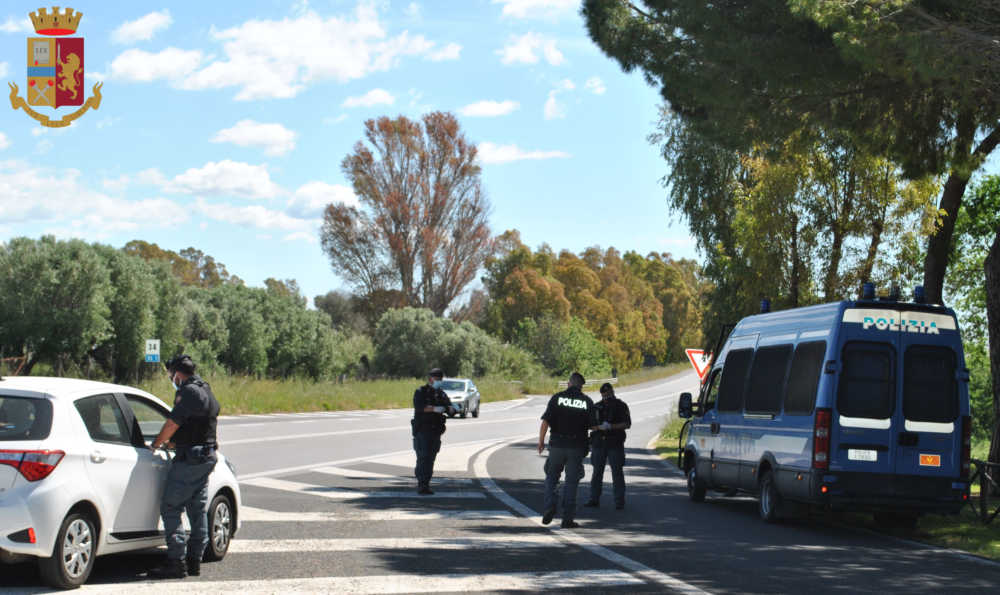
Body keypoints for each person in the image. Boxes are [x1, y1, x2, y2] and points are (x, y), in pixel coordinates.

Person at [147, 354, 221, 580]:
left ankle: (176, 562)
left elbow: (172, 423)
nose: (171, 379)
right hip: (206, 455)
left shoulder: (187, 391)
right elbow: (197, 427)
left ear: (178, 374)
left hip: (191, 459)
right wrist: (176, 442)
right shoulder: (206, 390)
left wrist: (157, 444)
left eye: (171, 375)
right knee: (197, 510)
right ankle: (194, 561)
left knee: (171, 507)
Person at [538, 372, 597, 529]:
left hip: (557, 445)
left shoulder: (557, 398)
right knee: (571, 483)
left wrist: (541, 442)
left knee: (551, 478)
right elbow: (593, 426)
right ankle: (567, 519)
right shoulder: (587, 401)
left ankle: (550, 506)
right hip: (576, 448)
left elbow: (545, 422)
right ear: (581, 385)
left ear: (569, 383)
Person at [585, 382, 632, 510]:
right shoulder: (596, 406)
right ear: (601, 395)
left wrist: (611, 426)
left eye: (609, 394)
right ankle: (594, 499)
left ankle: (619, 501)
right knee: (597, 472)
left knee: (617, 472)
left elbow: (627, 424)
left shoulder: (621, 406)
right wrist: (598, 427)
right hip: (599, 443)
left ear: (612, 392)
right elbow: (588, 424)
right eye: (604, 395)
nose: (607, 397)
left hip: (615, 443)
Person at [412, 367, 454, 494]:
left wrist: (451, 408)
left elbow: (449, 407)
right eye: (437, 379)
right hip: (423, 430)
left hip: (436, 431)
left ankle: (426, 483)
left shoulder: (441, 393)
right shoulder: (421, 391)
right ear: (430, 379)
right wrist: (435, 409)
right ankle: (422, 484)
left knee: (431, 458)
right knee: (423, 457)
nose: (439, 381)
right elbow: (420, 407)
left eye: (440, 379)